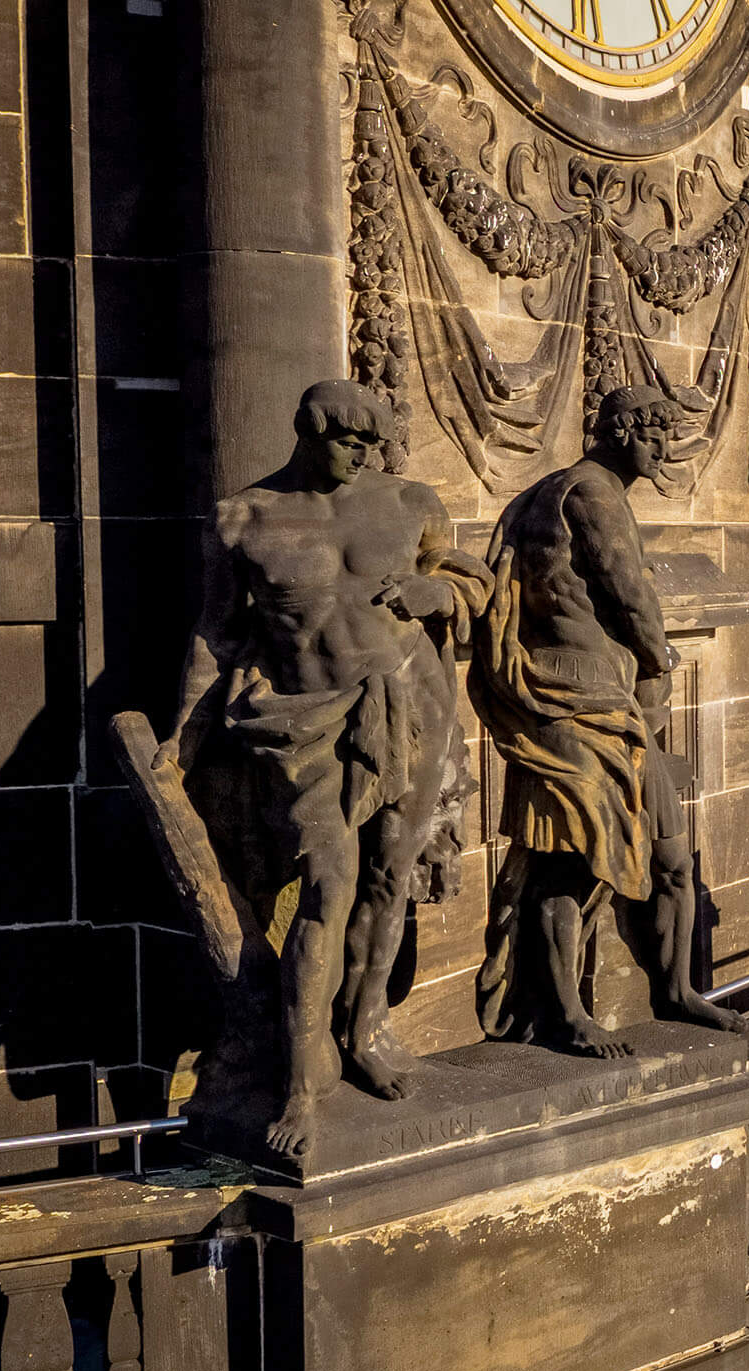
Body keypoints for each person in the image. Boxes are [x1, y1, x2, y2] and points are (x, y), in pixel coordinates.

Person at [159, 380, 491, 1158]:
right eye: (348, 442)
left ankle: (366, 1024)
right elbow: (216, 637)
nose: (361, 457)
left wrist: (433, 590)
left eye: (371, 445)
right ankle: (303, 1082)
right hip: (303, 722)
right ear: (310, 432)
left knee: (389, 875)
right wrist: (183, 735)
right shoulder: (244, 518)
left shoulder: (411, 502)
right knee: (330, 881)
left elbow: (470, 582)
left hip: (407, 704)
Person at [468, 385, 743, 1056]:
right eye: (654, 435)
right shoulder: (591, 494)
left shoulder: (563, 494)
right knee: (573, 863)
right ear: (622, 431)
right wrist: (661, 658)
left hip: (611, 701)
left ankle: (674, 989)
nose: (663, 450)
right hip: (574, 696)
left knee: (672, 856)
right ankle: (565, 1013)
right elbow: (630, 592)